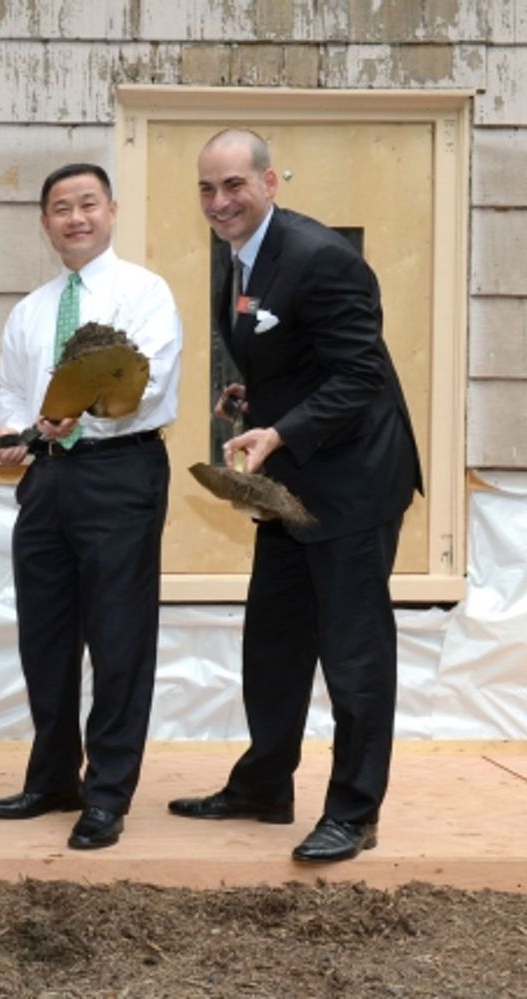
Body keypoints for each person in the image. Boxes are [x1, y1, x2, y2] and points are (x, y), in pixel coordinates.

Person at [168, 129, 422, 863]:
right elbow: (301, 354)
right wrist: (255, 397)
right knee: (274, 640)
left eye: (234, 186)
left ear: (270, 181)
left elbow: (359, 376)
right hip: (291, 484)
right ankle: (263, 786)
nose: (220, 203)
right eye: (207, 189)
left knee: (353, 652)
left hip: (353, 483)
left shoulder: (323, 258)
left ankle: (354, 811)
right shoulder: (240, 258)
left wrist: (279, 432)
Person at [0, 163, 182, 850]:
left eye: (88, 204)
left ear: (112, 210)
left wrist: (82, 418)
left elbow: (148, 385)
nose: (76, 218)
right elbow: (11, 392)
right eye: (61, 208)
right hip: (46, 479)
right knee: (46, 632)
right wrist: (19, 433)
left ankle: (107, 791)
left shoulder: (144, 293)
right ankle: (52, 777)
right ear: (45, 223)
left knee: (119, 634)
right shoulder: (31, 309)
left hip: (119, 472)